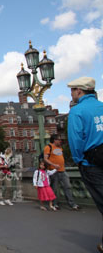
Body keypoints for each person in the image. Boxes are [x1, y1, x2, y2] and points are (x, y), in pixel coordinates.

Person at [66, 76, 103, 252]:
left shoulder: (77, 111)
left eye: (72, 90)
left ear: (79, 91)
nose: (71, 93)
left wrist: (79, 160)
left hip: (91, 164)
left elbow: (75, 140)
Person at [44, 134, 79, 210]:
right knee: (54, 188)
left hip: (62, 170)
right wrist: (53, 164)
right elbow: (45, 159)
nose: (60, 141)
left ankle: (72, 204)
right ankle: (54, 204)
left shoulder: (60, 148)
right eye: (59, 139)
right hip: (53, 171)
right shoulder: (48, 147)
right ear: (54, 140)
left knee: (68, 187)